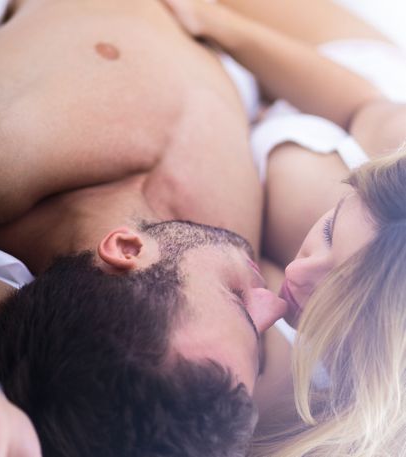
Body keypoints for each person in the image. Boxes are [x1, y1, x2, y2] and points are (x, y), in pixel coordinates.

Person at [162, 0, 406, 455]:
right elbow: (360, 103)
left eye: (336, 296)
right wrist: (216, 23)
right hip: (335, 64)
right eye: (328, 233)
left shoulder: (315, 406)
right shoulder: (395, 169)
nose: (297, 273)